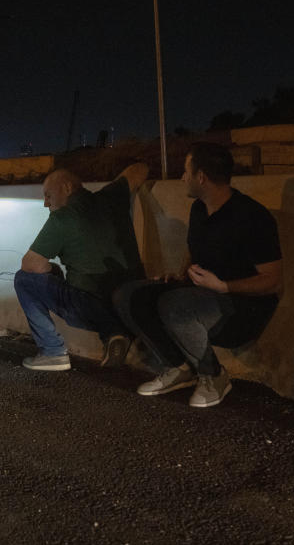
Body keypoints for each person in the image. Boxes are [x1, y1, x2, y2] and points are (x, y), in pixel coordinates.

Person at [113, 142, 283, 407]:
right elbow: (195, 253)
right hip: (200, 294)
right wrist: (180, 276)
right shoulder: (199, 209)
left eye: (186, 171)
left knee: (175, 304)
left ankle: (213, 376)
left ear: (201, 177)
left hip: (243, 308)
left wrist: (224, 286)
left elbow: (272, 281)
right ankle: (178, 368)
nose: (182, 177)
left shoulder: (252, 217)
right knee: (129, 295)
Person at [15, 163, 148, 371]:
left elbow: (31, 265)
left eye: (48, 195)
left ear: (67, 188)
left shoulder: (62, 218)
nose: (45, 203)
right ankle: (115, 333)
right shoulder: (112, 197)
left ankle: (53, 353)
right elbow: (141, 169)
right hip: (132, 299)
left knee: (24, 279)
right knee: (100, 287)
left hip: (89, 306)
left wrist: (54, 271)